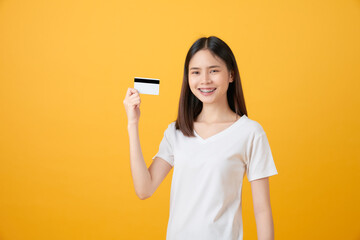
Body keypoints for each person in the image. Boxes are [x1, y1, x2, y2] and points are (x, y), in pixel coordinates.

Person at [123, 36, 278, 240]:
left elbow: (262, 211)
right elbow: (144, 189)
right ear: (188, 78)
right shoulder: (176, 132)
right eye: (195, 72)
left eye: (214, 70)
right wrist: (132, 124)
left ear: (231, 75)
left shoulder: (250, 133)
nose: (205, 80)